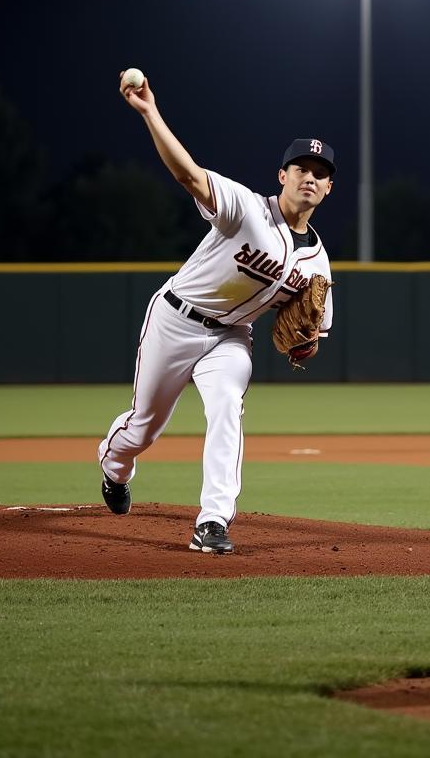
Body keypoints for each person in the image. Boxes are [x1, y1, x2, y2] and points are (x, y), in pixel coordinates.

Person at [97, 71, 335, 554]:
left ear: (329, 188)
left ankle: (213, 521)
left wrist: (305, 342)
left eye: (321, 172)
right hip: (174, 319)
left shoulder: (319, 262)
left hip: (230, 337)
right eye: (300, 167)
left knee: (227, 404)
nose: (310, 176)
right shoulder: (245, 209)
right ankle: (113, 467)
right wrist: (150, 113)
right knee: (143, 427)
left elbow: (313, 332)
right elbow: (188, 174)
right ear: (282, 176)